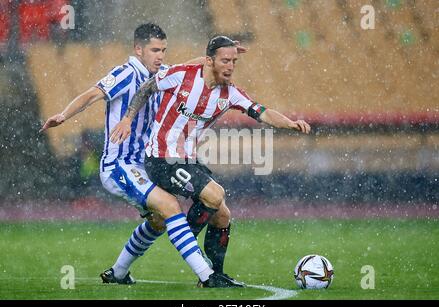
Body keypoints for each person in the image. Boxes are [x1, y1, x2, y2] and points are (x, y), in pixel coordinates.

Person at [40, 24, 243, 288]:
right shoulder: (126, 73)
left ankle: (119, 272)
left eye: (163, 50)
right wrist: (64, 115)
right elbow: (93, 94)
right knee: (171, 207)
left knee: (160, 219)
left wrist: (222, 54)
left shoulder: (160, 75)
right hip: (119, 165)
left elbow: (193, 65)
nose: (160, 55)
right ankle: (207, 276)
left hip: (148, 163)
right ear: (139, 50)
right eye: (155, 50)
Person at [110, 35, 311, 287]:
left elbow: (263, 112)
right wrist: (128, 118)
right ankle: (187, 241)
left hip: (187, 161)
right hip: (161, 158)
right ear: (209, 61)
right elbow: (148, 87)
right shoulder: (182, 75)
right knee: (215, 195)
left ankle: (215, 274)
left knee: (222, 215)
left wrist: (290, 123)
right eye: (225, 60)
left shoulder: (231, 94)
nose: (230, 66)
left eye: (234, 61)